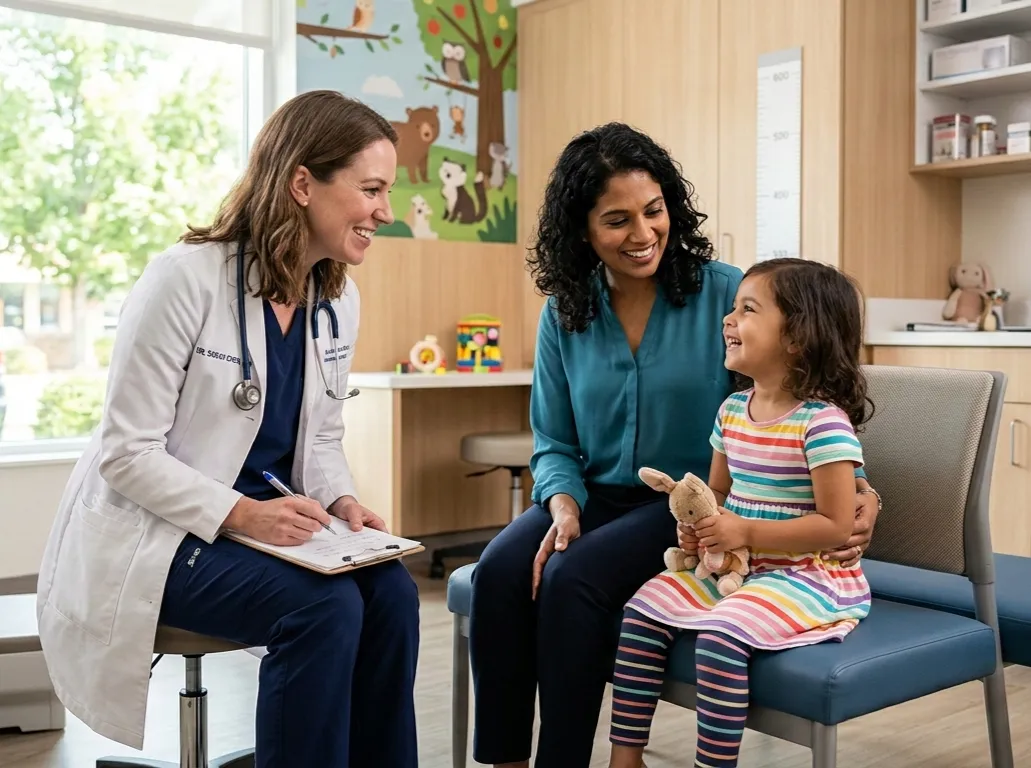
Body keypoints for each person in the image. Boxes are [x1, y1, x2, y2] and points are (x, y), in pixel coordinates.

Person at [467, 122, 882, 768]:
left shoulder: (726, 294)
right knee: (498, 572)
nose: (642, 233)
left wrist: (862, 489)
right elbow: (551, 439)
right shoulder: (563, 311)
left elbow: (793, 401)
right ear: (582, 230)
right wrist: (561, 504)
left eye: (653, 211)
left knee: (570, 581)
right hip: (590, 497)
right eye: (616, 220)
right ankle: (504, 761)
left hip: (685, 506)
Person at [35, 90, 419, 768]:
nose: (383, 211)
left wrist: (339, 503)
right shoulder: (184, 280)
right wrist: (243, 514)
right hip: (162, 531)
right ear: (303, 183)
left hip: (263, 526)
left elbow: (321, 439)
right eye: (370, 189)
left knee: (390, 593)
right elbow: (127, 456)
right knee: (322, 610)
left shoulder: (335, 301)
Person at [608, 258, 874, 768]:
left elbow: (836, 526)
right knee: (640, 612)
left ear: (797, 337)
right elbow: (717, 494)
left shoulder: (822, 425)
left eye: (747, 309)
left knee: (720, 637)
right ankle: (626, 759)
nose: (729, 320)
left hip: (808, 575)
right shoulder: (731, 412)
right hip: (739, 567)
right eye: (732, 309)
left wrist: (743, 529)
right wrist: (700, 531)